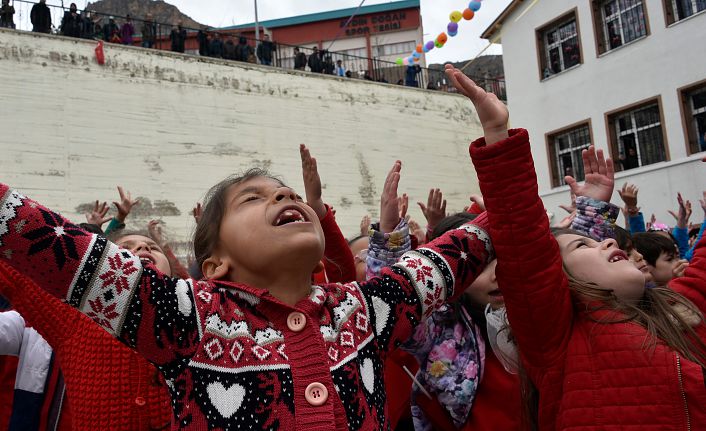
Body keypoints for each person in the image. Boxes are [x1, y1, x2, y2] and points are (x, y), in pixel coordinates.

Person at [0, 143, 496, 428]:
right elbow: (38, 236)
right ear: (213, 263)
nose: (282, 193)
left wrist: (499, 143)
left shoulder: (365, 309)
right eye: (251, 198)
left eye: (285, 190)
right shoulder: (185, 314)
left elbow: (474, 242)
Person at [445, 63, 706, 430]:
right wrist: (497, 134)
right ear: (559, 284)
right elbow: (528, 247)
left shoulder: (681, 311)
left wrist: (593, 212)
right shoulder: (558, 339)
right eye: (586, 244)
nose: (610, 242)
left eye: (600, 239)